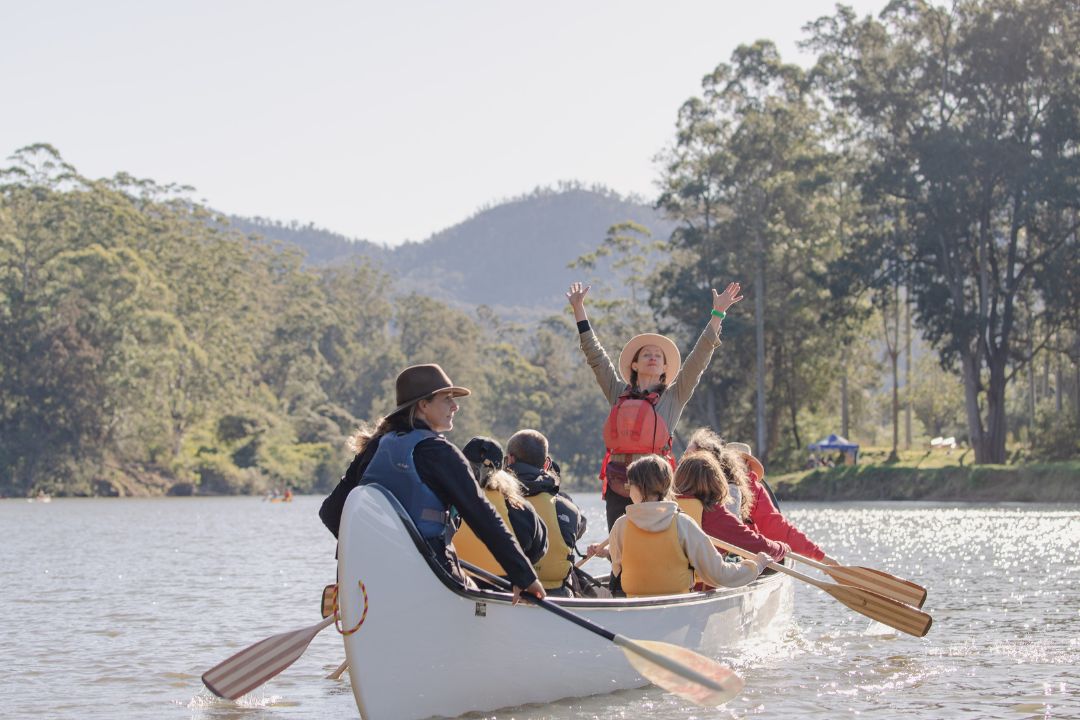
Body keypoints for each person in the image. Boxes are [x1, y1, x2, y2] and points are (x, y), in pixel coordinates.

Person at [319, 364, 545, 601]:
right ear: (423, 405)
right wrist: (526, 578)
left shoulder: (375, 446)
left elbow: (331, 512)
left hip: (369, 581)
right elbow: (483, 517)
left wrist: (377, 553)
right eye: (447, 399)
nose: (455, 406)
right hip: (428, 578)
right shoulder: (440, 452)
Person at [567, 280, 744, 530]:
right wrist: (578, 310)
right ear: (635, 365)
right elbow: (595, 356)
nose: (652, 357)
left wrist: (718, 314)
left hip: (656, 485)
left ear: (664, 368)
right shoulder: (617, 392)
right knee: (620, 549)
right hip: (619, 482)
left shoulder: (673, 398)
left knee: (652, 540)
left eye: (658, 356)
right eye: (646, 354)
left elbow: (699, 358)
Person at [588, 455, 771, 597]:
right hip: (677, 606)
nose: (628, 490)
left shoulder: (621, 525)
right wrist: (756, 566)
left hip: (635, 604)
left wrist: (756, 566)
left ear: (640, 488)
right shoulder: (683, 524)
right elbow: (718, 574)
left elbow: (617, 568)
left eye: (630, 485)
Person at [726, 441, 838, 565]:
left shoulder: (707, 482)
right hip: (739, 558)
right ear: (747, 464)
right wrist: (822, 557)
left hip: (712, 558)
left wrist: (819, 555)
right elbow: (777, 529)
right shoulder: (753, 488)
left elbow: (775, 527)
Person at [505, 429, 586, 596]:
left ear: (510, 460)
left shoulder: (492, 502)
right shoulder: (569, 509)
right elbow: (578, 530)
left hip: (506, 592)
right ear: (546, 464)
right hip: (556, 595)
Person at [673, 451, 787, 567]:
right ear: (715, 480)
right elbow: (759, 547)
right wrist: (782, 549)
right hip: (704, 582)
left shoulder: (666, 506)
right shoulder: (713, 513)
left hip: (672, 578)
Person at [455, 436, 548, 576]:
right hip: (503, 587)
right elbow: (537, 551)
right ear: (501, 470)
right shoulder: (520, 507)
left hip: (458, 584)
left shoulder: (446, 498)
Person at [685, 428, 752, 521]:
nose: (683, 461)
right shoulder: (681, 489)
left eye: (690, 456)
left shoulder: (731, 491)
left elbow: (727, 527)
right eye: (684, 456)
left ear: (707, 462)